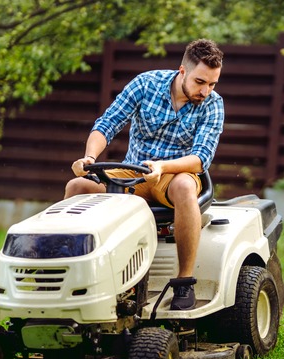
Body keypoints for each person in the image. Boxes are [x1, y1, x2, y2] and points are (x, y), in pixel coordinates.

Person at [64, 39, 224, 311]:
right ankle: (71, 273)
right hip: (134, 173)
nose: (206, 91)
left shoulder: (213, 105)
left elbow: (200, 159)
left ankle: (184, 282)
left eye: (212, 84)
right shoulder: (145, 84)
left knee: (185, 186)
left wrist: (163, 167)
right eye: (200, 82)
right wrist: (89, 158)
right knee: (77, 186)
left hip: (175, 175)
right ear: (182, 71)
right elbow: (107, 123)